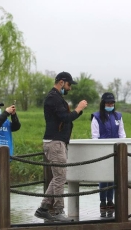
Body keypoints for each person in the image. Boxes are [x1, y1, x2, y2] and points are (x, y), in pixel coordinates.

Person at [34, 71, 88, 221]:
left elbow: (66, 117)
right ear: (62, 82)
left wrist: (78, 111)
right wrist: (79, 108)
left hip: (57, 142)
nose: (70, 88)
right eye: (69, 84)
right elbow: (65, 117)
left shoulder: (56, 98)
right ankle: (58, 212)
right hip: (55, 142)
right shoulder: (53, 98)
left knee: (58, 176)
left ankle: (43, 208)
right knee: (60, 177)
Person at [91, 92, 126, 217]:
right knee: (103, 177)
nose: (110, 105)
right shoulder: (96, 117)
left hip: (116, 150)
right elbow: (95, 136)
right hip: (103, 150)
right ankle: (102, 201)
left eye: (112, 103)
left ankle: (111, 200)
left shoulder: (118, 116)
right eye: (107, 103)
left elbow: (122, 134)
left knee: (112, 177)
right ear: (103, 103)